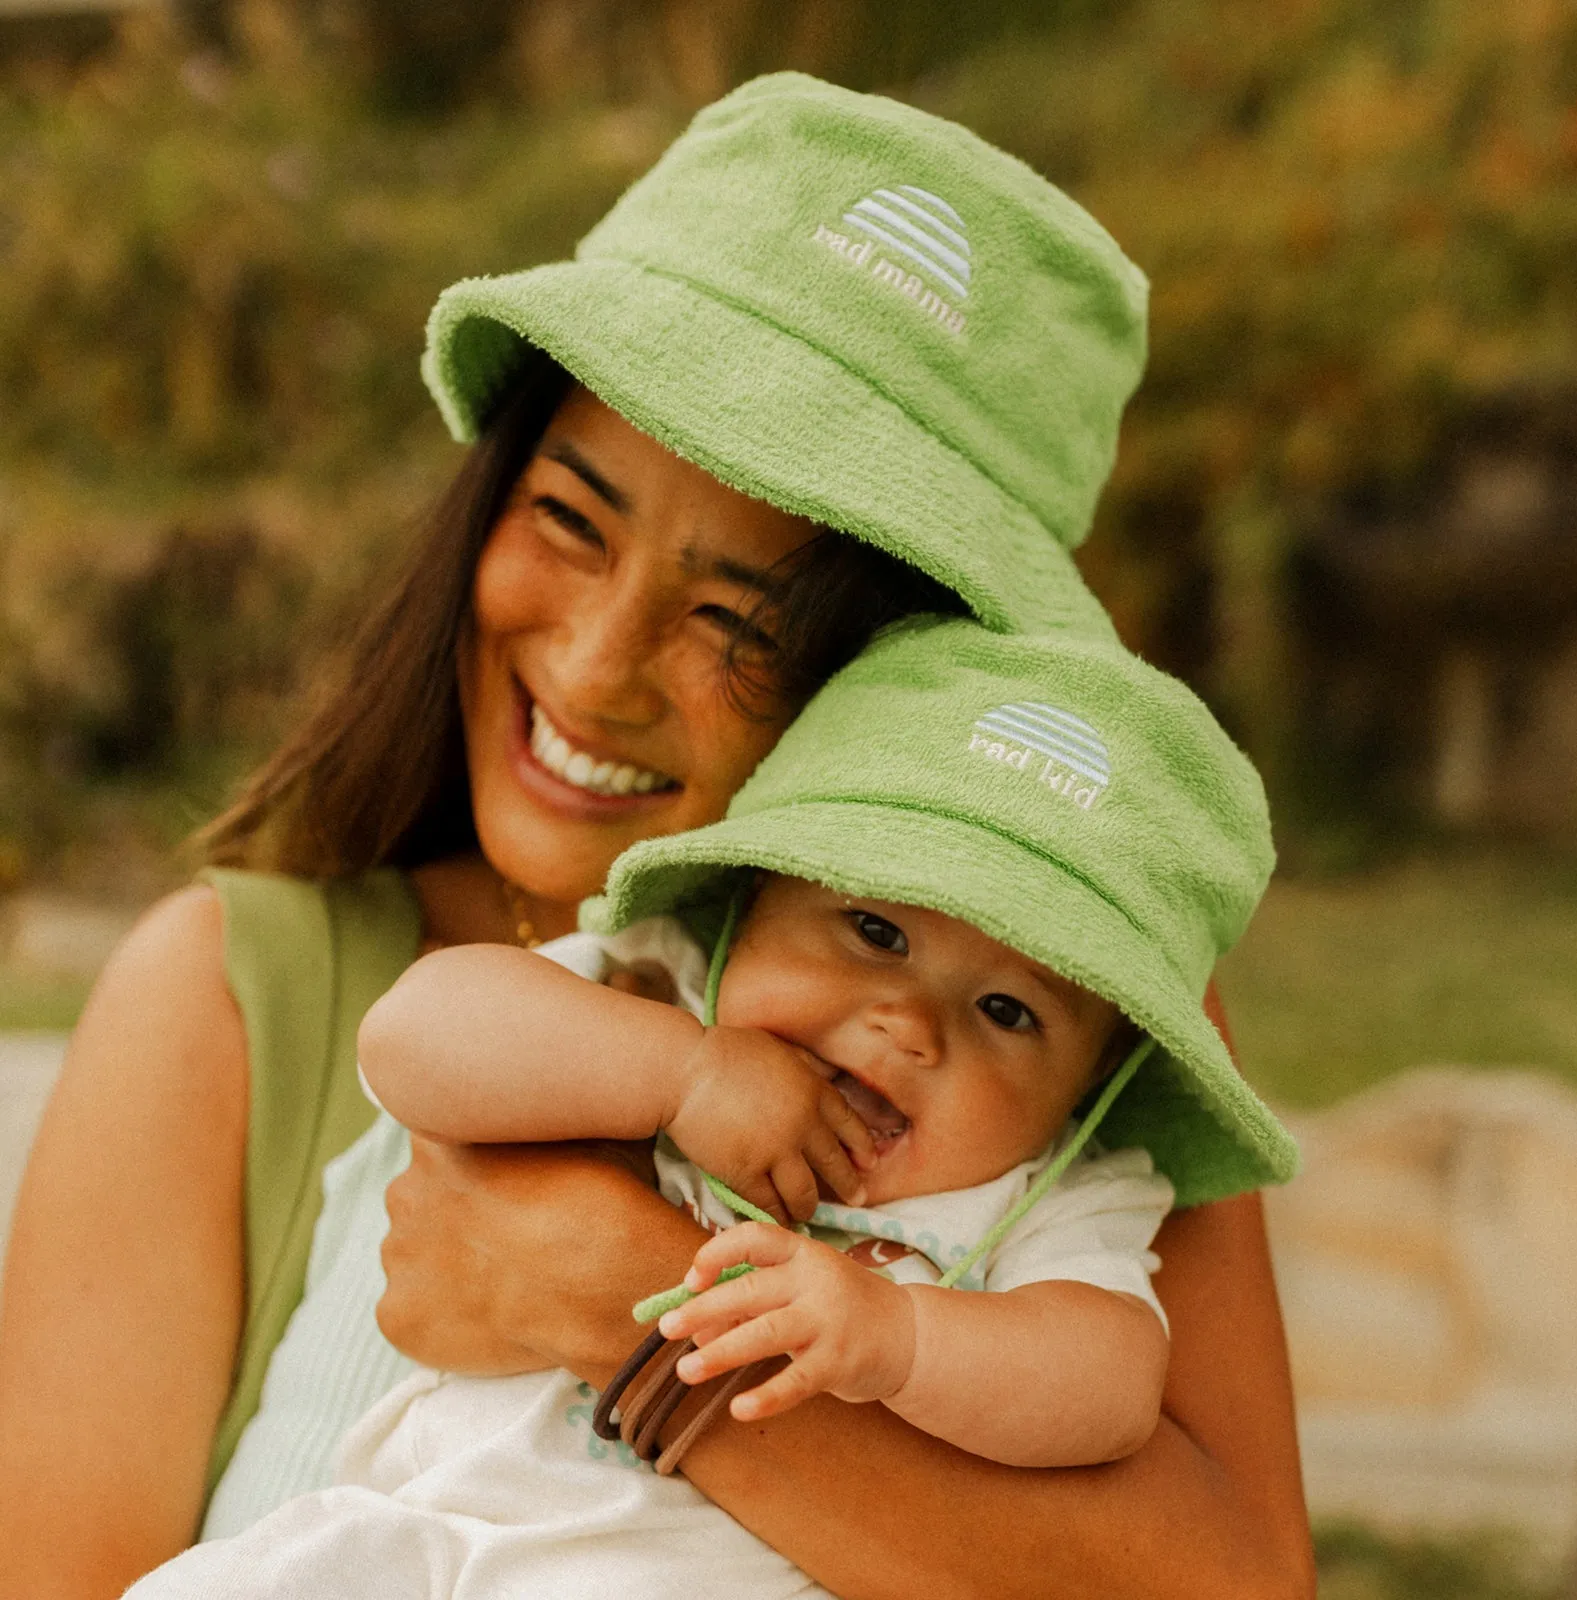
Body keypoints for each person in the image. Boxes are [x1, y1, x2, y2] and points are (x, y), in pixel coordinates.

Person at [0, 74, 1315, 1600]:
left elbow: (1226, 1581)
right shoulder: (243, 1001)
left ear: (927, 686)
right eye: (569, 516)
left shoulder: (1059, 1026)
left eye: (742, 621)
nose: (595, 668)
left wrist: (615, 1301)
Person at [122, 618, 1296, 1599]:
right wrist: (679, 1072)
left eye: (1006, 1011)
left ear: (1086, 1096)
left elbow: (1109, 1381)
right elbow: (414, 1036)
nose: (910, 1024)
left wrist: (903, 1341)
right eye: (873, 931)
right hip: (435, 1543)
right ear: (746, 908)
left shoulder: (1039, 1193)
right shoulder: (657, 989)